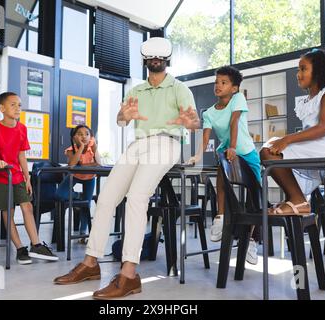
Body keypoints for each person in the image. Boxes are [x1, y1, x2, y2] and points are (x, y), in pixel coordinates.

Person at [54, 37, 200, 299]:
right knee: (106, 198)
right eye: (151, 56)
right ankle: (90, 264)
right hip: (139, 143)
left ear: (167, 60)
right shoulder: (136, 90)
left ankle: (129, 274)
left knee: (136, 197)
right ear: (145, 60)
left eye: (160, 56)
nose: (155, 59)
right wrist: (124, 116)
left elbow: (193, 123)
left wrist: (189, 122)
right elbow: (121, 119)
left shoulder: (179, 88)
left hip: (166, 141)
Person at [260, 48, 325, 215]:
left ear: (319, 71)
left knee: (269, 151)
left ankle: (298, 200)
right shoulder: (309, 100)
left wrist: (287, 140)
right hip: (320, 144)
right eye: (298, 69)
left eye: (303, 69)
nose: (298, 73)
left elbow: (324, 128)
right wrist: (284, 141)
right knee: (271, 147)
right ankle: (296, 199)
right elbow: (312, 131)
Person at [189, 66, 260, 264]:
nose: (218, 86)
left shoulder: (238, 99)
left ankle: (251, 241)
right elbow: (205, 137)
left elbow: (234, 122)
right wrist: (197, 156)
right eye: (216, 82)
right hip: (227, 151)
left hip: (246, 152)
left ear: (234, 88)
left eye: (223, 82)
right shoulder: (209, 113)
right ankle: (219, 218)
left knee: (256, 197)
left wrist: (234, 147)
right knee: (221, 169)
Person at [0, 92, 58, 264]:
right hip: (1, 177)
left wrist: (27, 178)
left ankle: (36, 245)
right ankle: (20, 249)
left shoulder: (22, 128)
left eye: (19, 104)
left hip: (18, 176)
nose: (18, 108)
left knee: (27, 207)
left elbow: (21, 156)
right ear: (2, 108)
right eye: (13, 105)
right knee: (9, 212)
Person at [55, 125, 100, 244]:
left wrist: (94, 148)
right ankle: (77, 196)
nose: (84, 136)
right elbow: (72, 165)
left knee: (86, 204)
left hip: (89, 178)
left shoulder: (92, 147)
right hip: (74, 176)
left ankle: (82, 234)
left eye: (87, 134)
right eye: (80, 134)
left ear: (91, 137)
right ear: (74, 137)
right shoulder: (71, 150)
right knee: (60, 194)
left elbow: (99, 163)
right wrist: (81, 147)